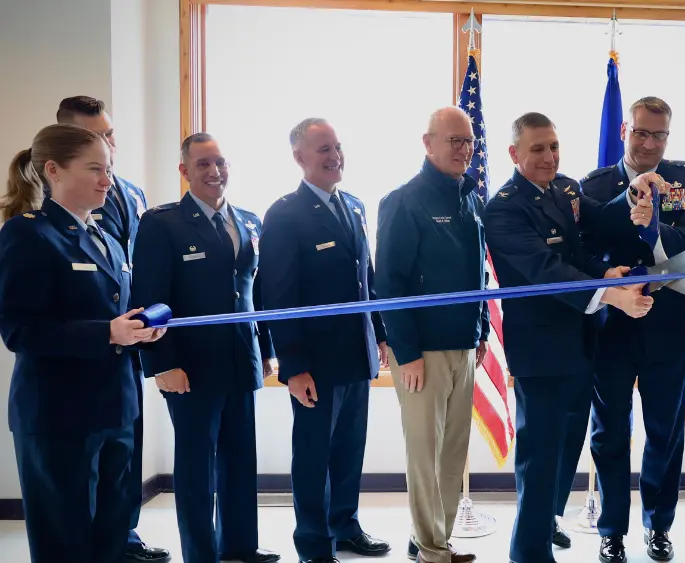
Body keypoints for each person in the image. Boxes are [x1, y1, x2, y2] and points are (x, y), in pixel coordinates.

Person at [482, 111, 656, 563]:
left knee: (564, 454)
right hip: (541, 351)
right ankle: (529, 553)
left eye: (554, 146)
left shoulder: (565, 189)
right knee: (539, 459)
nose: (549, 156)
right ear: (514, 153)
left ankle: (544, 525)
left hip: (580, 343)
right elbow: (546, 271)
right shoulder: (502, 207)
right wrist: (610, 293)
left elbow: (598, 225)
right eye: (537, 148)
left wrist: (635, 200)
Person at [0, 124, 165, 563]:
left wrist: (141, 331)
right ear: (53, 170)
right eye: (94, 168)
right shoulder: (28, 235)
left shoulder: (108, 239)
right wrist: (106, 332)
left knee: (112, 537)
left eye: (108, 169)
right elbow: (19, 330)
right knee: (65, 543)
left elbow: (116, 315)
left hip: (116, 410)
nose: (107, 180)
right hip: (58, 417)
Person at [130, 132, 279, 563]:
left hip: (241, 358)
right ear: (185, 171)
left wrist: (265, 348)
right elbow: (149, 300)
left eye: (220, 162)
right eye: (203, 165)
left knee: (239, 457)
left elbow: (257, 292)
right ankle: (200, 553)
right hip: (190, 367)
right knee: (197, 467)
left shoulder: (249, 220)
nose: (215, 172)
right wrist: (162, 363)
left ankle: (239, 545)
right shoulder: (162, 224)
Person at [579, 96, 685, 563]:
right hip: (611, 330)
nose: (650, 142)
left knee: (664, 436)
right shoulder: (593, 185)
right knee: (610, 434)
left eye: (659, 134)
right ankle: (611, 530)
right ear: (623, 132)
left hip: (668, 330)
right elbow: (583, 250)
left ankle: (658, 525)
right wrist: (608, 274)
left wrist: (654, 231)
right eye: (641, 132)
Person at [257, 117, 390, 563]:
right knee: (314, 455)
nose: (335, 156)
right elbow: (278, 295)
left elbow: (365, 279)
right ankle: (315, 543)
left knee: (350, 449)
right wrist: (292, 366)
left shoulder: (352, 205)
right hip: (315, 361)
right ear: (299, 158)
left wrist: (383, 336)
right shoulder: (285, 214)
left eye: (336, 147)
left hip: (357, 353)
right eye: (323, 150)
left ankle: (345, 525)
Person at [54, 95, 169, 563]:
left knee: (127, 452)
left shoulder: (132, 192)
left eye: (110, 134)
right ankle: (103, 541)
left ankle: (125, 535)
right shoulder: (54, 205)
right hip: (87, 350)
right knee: (89, 468)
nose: (108, 145)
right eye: (95, 137)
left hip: (130, 340)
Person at [374, 106, 487, 563]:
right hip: (422, 352)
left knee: (452, 454)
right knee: (425, 454)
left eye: (469, 141)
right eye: (453, 140)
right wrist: (407, 352)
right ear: (428, 143)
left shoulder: (470, 199)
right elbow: (390, 284)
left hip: (464, 346)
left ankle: (435, 540)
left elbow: (475, 275)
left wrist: (478, 332)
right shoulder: (404, 201)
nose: (463, 149)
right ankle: (431, 551)